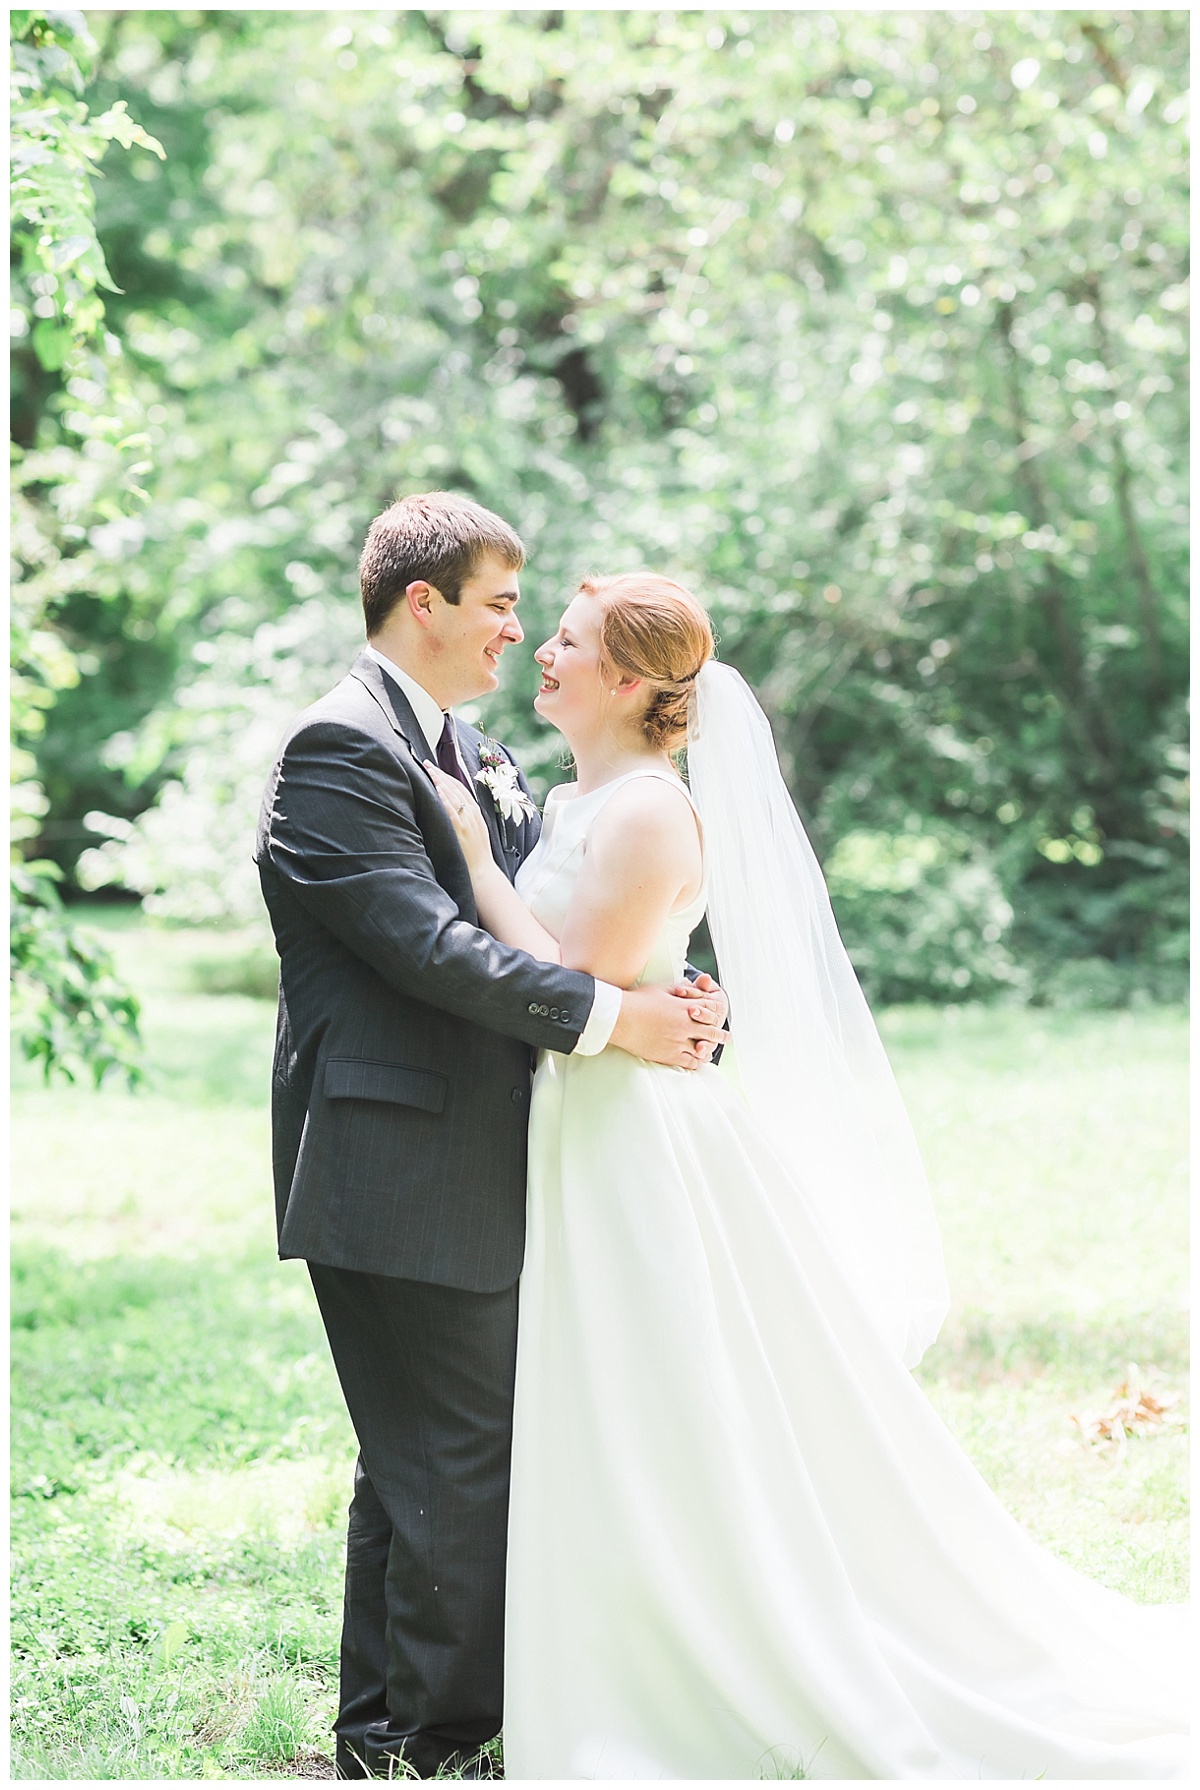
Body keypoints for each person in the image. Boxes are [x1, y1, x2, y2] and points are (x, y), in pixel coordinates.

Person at [429, 570, 1189, 1781]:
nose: (543, 657)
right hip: (584, 1123)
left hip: (631, 1136)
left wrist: (470, 865)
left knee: (658, 1396)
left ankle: (701, 1651)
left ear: (627, 681)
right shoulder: (582, 794)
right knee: (615, 1395)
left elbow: (576, 982)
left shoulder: (646, 814)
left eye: (565, 643)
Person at [254, 496, 726, 1779]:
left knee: (418, 1461)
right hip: (397, 1156)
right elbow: (428, 946)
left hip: (478, 1153)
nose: (518, 633)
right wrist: (611, 1018)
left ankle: (386, 1736)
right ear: (426, 603)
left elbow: (555, 905)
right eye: (501, 604)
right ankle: (435, 1747)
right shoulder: (340, 748)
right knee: (453, 1461)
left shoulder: (458, 746)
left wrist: (665, 992)